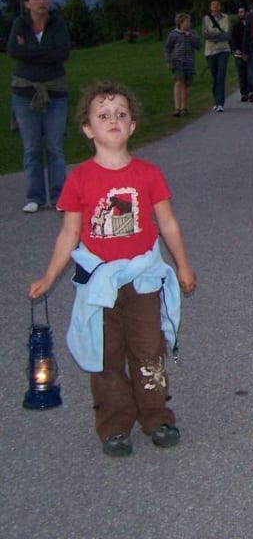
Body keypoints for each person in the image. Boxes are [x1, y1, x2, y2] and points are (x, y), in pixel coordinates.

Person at [28, 81, 197, 457]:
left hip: (143, 278)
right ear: (88, 129)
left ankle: (156, 414)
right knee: (106, 354)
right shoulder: (80, 180)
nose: (114, 120)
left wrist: (182, 266)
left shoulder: (148, 174)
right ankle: (114, 423)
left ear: (133, 125)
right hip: (101, 283)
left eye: (121, 114)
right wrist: (48, 277)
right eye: (103, 115)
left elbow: (167, 224)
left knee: (148, 349)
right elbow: (69, 234)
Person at [7, 0, 70, 213]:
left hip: (56, 93)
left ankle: (59, 196)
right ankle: (35, 196)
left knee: (54, 146)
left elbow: (63, 53)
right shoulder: (20, 24)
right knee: (32, 147)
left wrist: (30, 53)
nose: (41, 2)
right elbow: (14, 51)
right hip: (25, 94)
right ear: (27, 3)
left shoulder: (58, 24)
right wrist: (47, 53)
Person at [163, 12, 200, 117]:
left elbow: (198, 45)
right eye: (187, 21)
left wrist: (191, 37)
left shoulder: (191, 33)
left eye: (189, 21)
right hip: (178, 62)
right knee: (179, 83)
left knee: (186, 86)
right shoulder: (173, 34)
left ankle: (184, 107)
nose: (188, 23)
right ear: (181, 23)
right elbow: (167, 48)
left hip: (189, 63)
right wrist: (168, 60)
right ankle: (177, 108)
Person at [201, 0, 231, 113]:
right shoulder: (206, 19)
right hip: (210, 50)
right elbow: (205, 34)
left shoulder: (226, 18)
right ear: (210, 7)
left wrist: (214, 35)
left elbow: (227, 34)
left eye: (217, 4)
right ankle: (216, 99)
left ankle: (220, 103)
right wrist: (218, 34)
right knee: (214, 77)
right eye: (213, 4)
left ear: (220, 6)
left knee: (221, 76)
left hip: (223, 50)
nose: (215, 6)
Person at [230, 6, 251, 102]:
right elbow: (233, 39)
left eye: (242, 12)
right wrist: (236, 49)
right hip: (239, 53)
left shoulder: (251, 25)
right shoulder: (236, 26)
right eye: (239, 12)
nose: (240, 14)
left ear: (246, 13)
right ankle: (244, 94)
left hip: (250, 52)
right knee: (241, 74)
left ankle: (251, 91)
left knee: (251, 73)